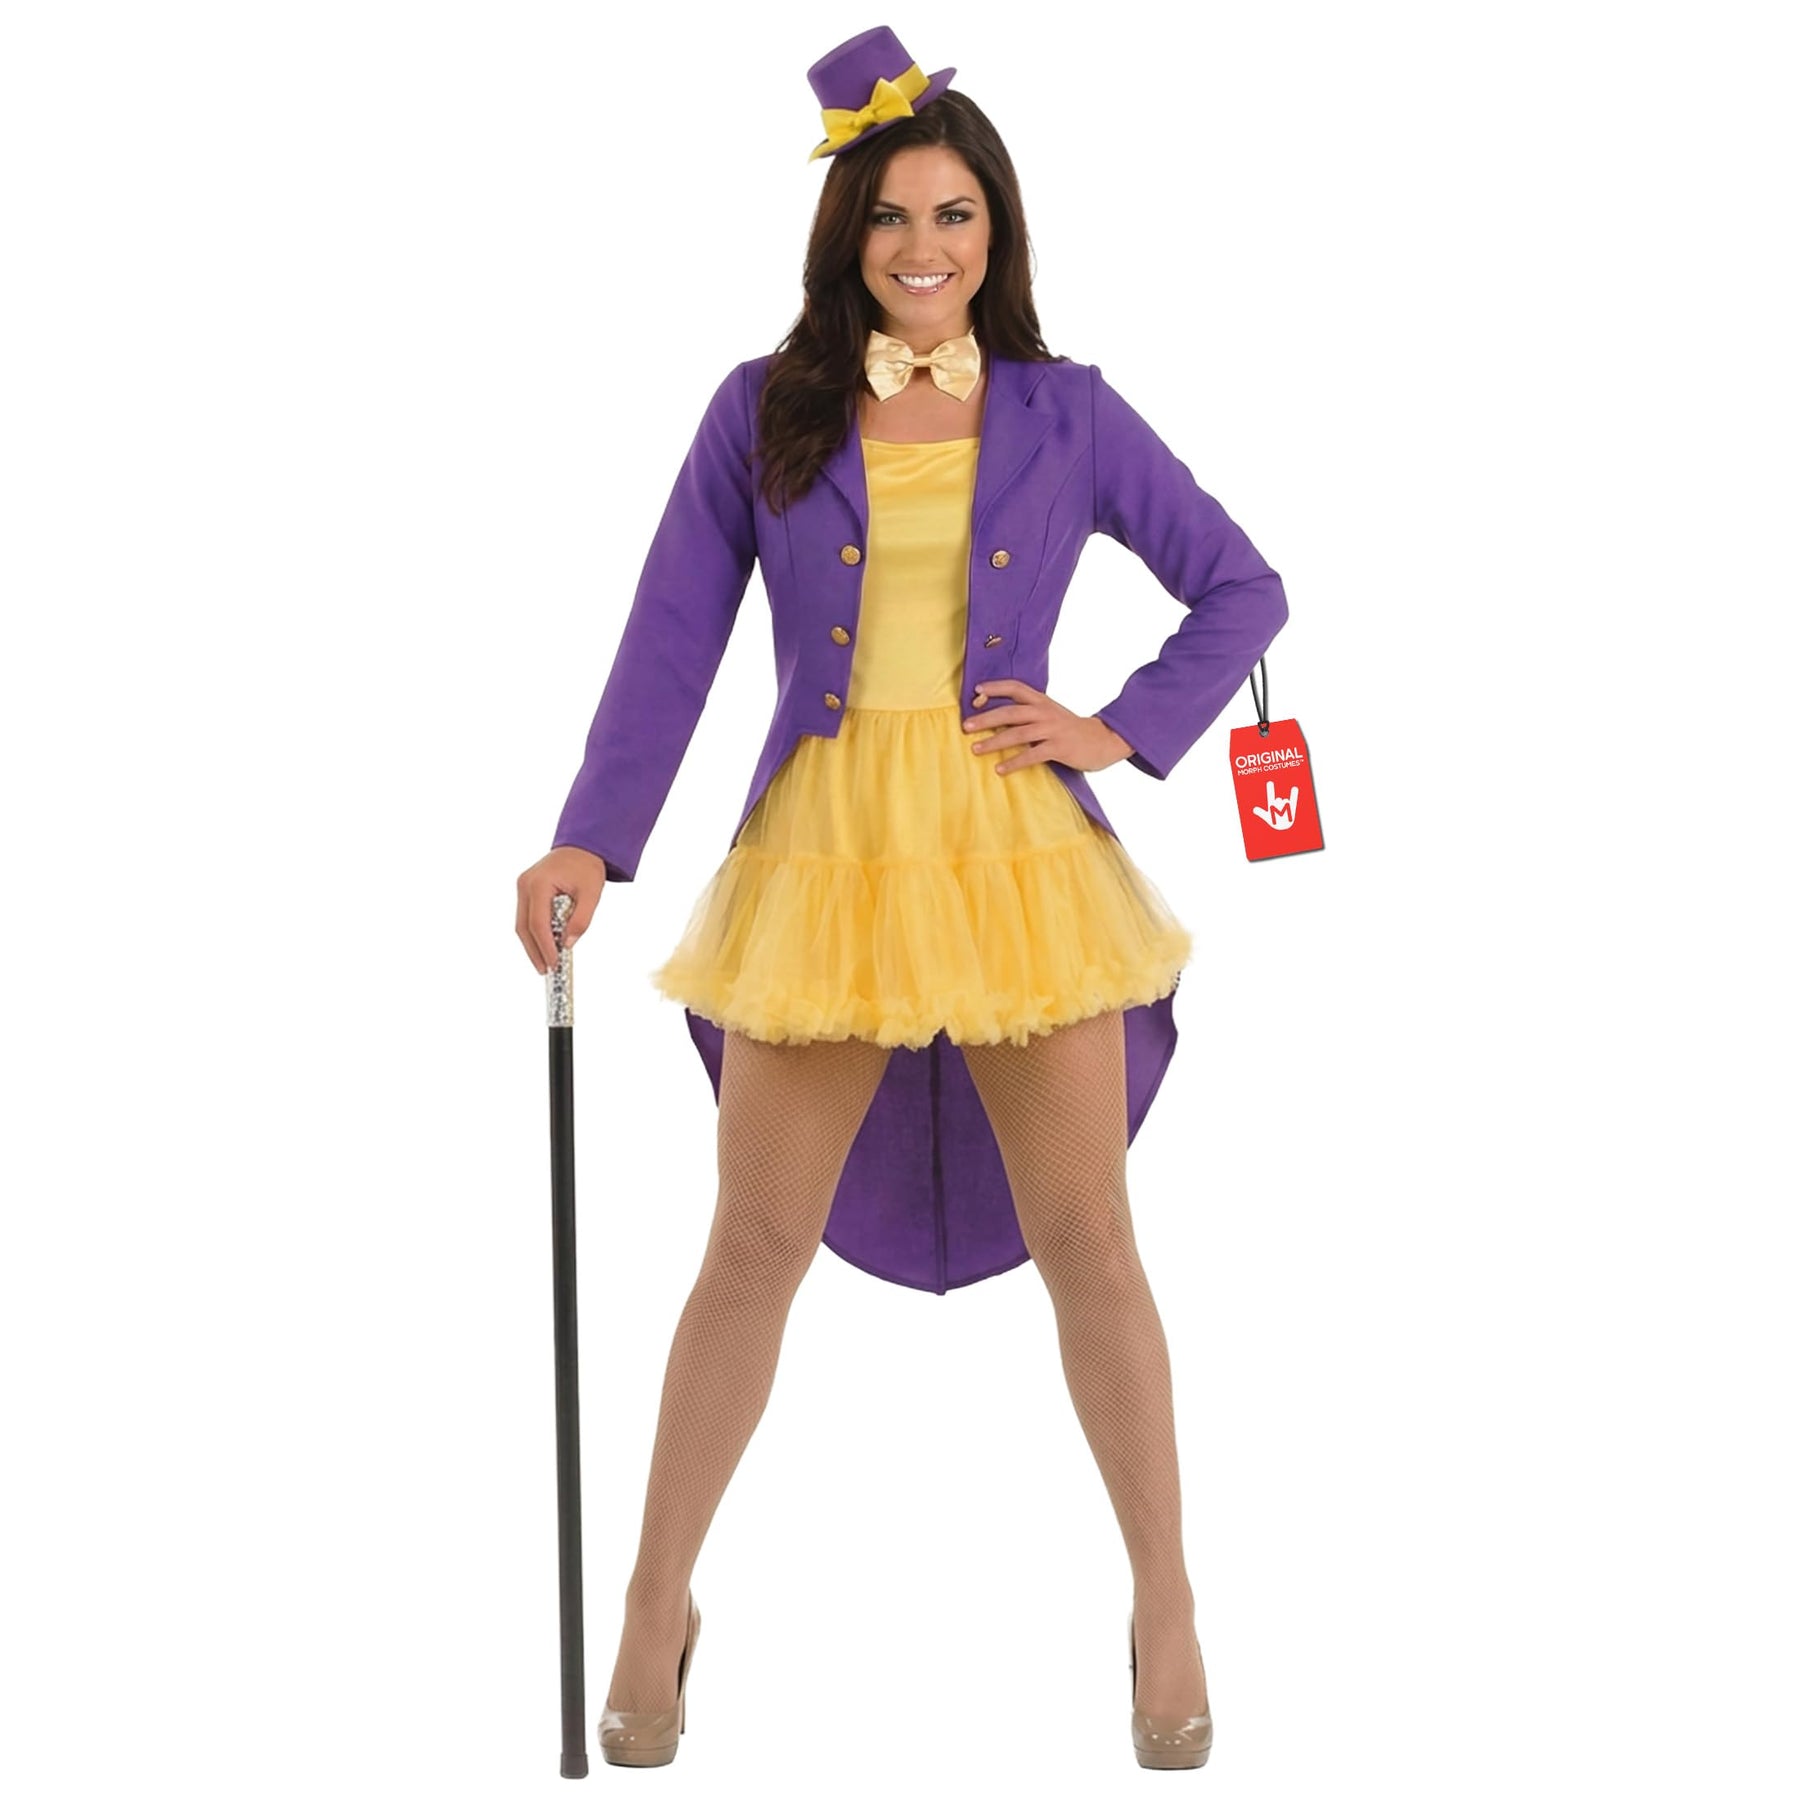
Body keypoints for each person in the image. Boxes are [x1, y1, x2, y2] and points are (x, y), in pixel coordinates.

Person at [514, 25, 1288, 1771]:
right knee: (751, 1247)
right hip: (825, 857)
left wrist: (1118, 725)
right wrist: (589, 838)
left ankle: (1166, 1599)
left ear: (995, 230)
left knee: (1093, 1239)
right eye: (890, 215)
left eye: (955, 214)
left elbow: (1242, 586)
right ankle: (654, 1598)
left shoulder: (1070, 412)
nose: (923, 247)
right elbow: (670, 635)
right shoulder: (764, 407)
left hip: (1016, 860)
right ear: (845, 232)